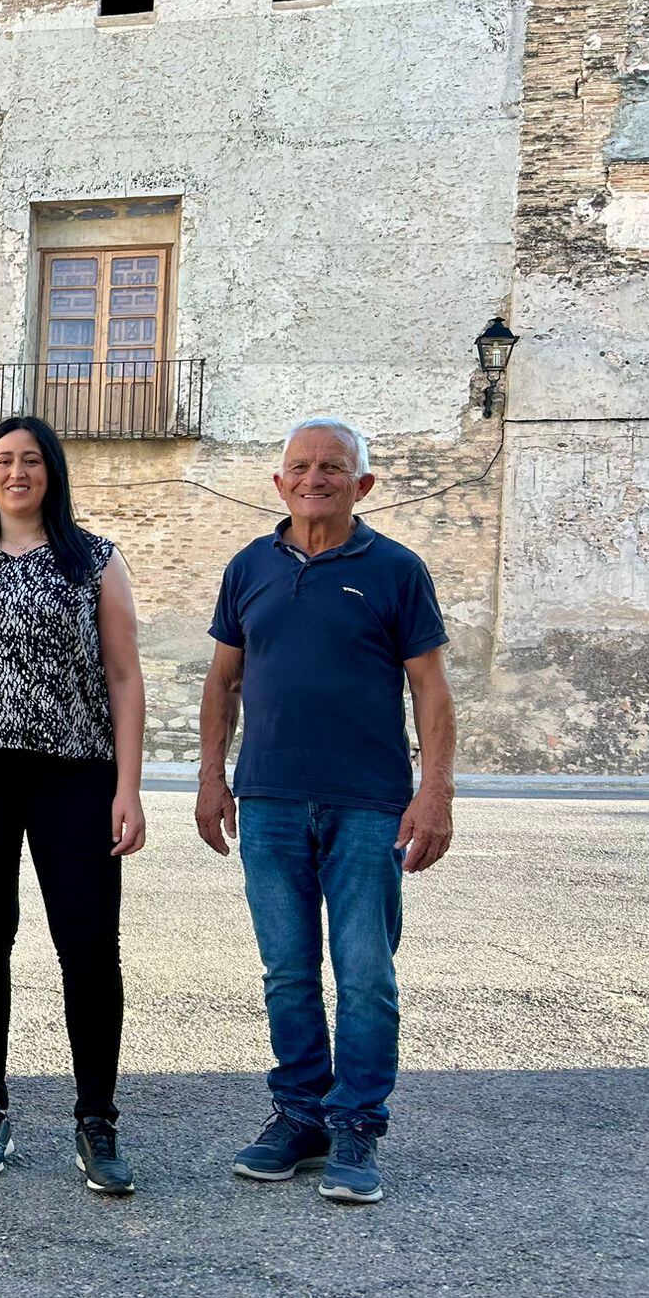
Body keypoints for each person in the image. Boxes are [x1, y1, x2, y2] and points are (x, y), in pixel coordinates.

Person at [197, 416, 455, 1205]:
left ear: (362, 484)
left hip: (369, 803)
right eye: (301, 467)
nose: (315, 479)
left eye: (333, 468)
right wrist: (210, 778)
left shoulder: (397, 570)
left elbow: (430, 690)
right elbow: (223, 681)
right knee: (287, 970)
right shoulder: (249, 567)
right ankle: (301, 1117)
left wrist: (435, 791)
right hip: (268, 798)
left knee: (366, 972)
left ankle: (356, 1125)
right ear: (279, 483)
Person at [0, 416, 147, 1196]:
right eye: (3, 460)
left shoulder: (96, 559)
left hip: (75, 772)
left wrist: (128, 786)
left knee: (89, 946)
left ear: (52, 471)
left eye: (30, 460)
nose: (16, 472)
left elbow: (124, 675)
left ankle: (97, 1120)